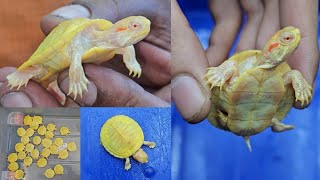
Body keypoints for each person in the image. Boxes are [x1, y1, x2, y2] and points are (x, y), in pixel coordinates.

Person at [0, 0, 171, 107]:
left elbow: (127, 46)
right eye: (135, 26)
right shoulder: (92, 33)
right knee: (22, 78)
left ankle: (55, 90)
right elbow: (76, 51)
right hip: (47, 60)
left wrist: (132, 62)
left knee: (54, 91)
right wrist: (76, 78)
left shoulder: (113, 44)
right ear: (119, 27)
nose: (142, 29)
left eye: (144, 27)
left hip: (56, 75)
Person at [172, 0, 319, 123]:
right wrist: (221, 74)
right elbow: (232, 66)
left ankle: (272, 122)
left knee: (296, 74)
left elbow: (293, 75)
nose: (296, 35)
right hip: (229, 113)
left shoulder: (285, 75)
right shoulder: (247, 64)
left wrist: (301, 88)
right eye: (287, 39)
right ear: (271, 48)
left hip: (261, 115)